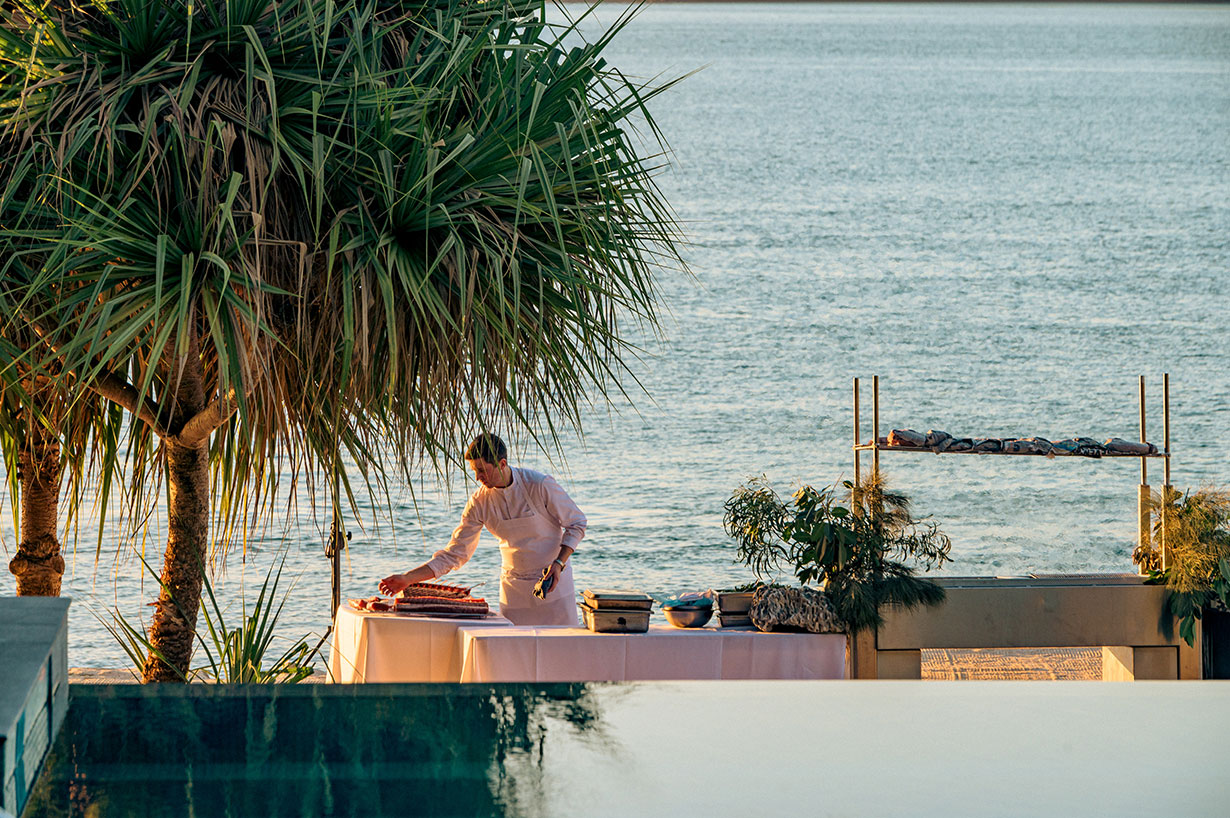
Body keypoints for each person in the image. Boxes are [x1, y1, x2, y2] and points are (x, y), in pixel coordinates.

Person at [379, 434, 586, 625]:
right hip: (514, 590)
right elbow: (454, 554)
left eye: (482, 470)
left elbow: (577, 523)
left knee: (562, 656)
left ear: (502, 463)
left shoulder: (539, 485)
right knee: (514, 658)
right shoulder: (479, 502)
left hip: (554, 586)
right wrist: (408, 578)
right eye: (474, 471)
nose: (478, 477)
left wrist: (559, 563)